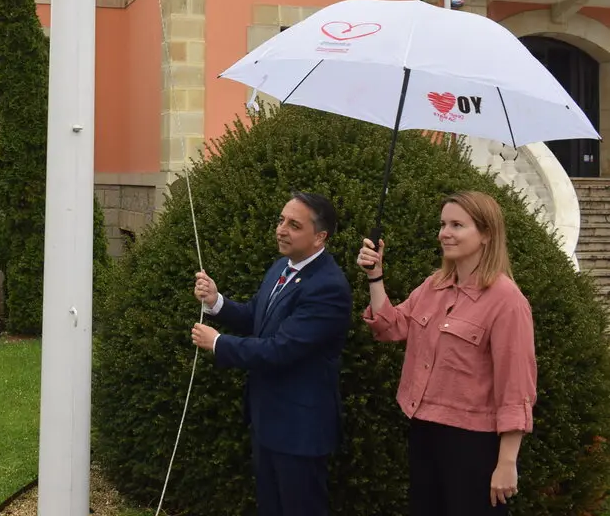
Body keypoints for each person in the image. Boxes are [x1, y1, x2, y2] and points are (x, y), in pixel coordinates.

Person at [357, 190, 537, 516]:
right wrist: (375, 276)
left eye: (457, 225)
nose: (445, 233)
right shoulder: (433, 286)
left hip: (472, 444)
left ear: (486, 234)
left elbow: (516, 387)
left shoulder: (507, 301)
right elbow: (391, 327)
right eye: (443, 224)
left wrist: (507, 462)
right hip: (424, 431)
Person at [191, 191, 352, 516]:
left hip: (299, 429)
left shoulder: (328, 287)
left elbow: (282, 349)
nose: (281, 229)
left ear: (320, 237)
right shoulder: (282, 266)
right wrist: (216, 302)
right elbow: (257, 317)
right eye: (281, 220)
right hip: (268, 420)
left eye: (294, 225)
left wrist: (219, 343)